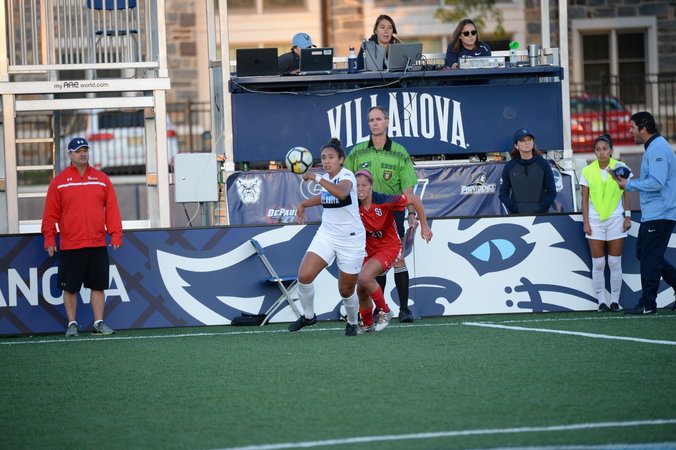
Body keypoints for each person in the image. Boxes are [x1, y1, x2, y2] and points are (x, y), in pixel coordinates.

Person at [344, 106, 419, 323]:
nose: (375, 123)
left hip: (392, 214)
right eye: (371, 120)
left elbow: (407, 187)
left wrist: (411, 213)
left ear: (387, 122)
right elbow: (346, 182)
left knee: (398, 259)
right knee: (374, 263)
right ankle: (380, 310)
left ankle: (404, 309)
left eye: (379, 119)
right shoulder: (357, 152)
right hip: (364, 216)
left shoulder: (400, 151)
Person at [41, 137, 123, 337]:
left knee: (98, 286)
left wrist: (116, 234)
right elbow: (50, 214)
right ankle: (72, 324)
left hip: (97, 242)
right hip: (71, 244)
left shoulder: (102, 178)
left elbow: (112, 209)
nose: (83, 154)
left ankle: (99, 323)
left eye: (85, 150)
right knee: (70, 288)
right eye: (78, 151)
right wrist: (49, 239)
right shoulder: (59, 182)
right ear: (69, 154)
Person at [289, 138, 365, 336]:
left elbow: (341, 194)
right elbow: (326, 197)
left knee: (346, 291)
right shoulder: (326, 178)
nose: (326, 161)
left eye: (331, 157)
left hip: (351, 239)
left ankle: (352, 321)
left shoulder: (346, 176)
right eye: (323, 158)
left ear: (341, 159)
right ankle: (308, 316)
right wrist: (304, 204)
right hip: (327, 235)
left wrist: (316, 178)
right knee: (304, 276)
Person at [612, 111, 676, 315]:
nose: (630, 131)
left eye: (632, 127)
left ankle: (648, 304)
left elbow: (657, 182)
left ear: (644, 127)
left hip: (661, 212)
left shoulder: (657, 149)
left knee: (649, 257)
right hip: (657, 213)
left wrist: (629, 185)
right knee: (646, 254)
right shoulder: (655, 147)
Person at [355, 170, 432, 333]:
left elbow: (415, 199)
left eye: (364, 185)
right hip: (369, 249)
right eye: (357, 186)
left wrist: (424, 226)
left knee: (364, 277)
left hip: (390, 247)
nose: (360, 189)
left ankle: (385, 311)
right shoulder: (352, 203)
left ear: (371, 186)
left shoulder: (384, 200)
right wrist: (305, 204)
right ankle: (368, 324)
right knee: (361, 287)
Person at [580, 134, 632, 312]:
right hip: (594, 221)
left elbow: (626, 192)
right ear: (594, 152)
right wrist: (586, 222)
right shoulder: (587, 171)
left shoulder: (621, 168)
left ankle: (615, 301)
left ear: (611, 150)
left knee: (615, 262)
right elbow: (584, 199)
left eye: (605, 149)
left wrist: (627, 216)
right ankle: (601, 302)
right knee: (599, 263)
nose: (601, 152)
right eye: (598, 149)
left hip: (616, 219)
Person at [499, 128, 556, 215]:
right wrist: (515, 208)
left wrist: (539, 207)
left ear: (533, 143)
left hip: (540, 216)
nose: (527, 143)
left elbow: (551, 191)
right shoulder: (510, 166)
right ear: (516, 146)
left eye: (529, 139)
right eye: (522, 140)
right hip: (517, 216)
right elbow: (503, 194)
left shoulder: (543, 164)